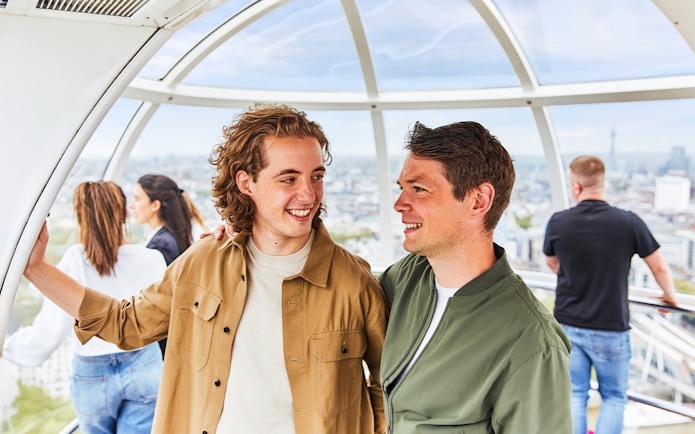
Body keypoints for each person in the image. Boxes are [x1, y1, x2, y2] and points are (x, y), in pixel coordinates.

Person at [22, 104, 389, 434]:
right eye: (288, 178)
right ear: (247, 182)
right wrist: (36, 267)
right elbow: (126, 324)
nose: (308, 194)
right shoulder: (202, 263)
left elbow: (386, 384)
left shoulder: (354, 282)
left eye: (316, 176)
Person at [379, 121, 573, 433]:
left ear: (478, 201)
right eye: (401, 188)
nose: (400, 204)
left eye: (419, 189)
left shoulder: (532, 344)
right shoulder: (406, 277)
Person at [5, 181, 166, 434]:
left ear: (80, 217)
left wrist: (8, 348)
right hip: (144, 363)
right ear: (124, 214)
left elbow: (50, 331)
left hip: (93, 373)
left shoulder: (76, 259)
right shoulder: (152, 258)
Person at [543, 155, 678, 434]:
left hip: (568, 323)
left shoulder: (558, 222)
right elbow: (660, 268)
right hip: (610, 326)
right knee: (614, 397)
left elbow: (552, 263)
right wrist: (670, 298)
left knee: (575, 394)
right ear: (602, 185)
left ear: (576, 187)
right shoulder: (629, 222)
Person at [129, 173, 195, 357]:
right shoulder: (172, 236)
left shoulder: (161, 245)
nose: (132, 205)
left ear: (155, 205)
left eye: (137, 198)